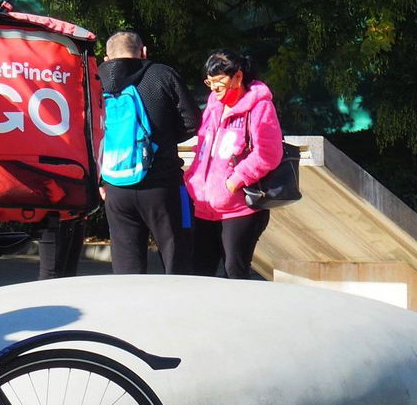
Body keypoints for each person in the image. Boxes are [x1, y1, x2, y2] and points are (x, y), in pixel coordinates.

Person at [98, 31, 200, 273]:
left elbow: (86, 131)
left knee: (127, 267)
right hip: (163, 185)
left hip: (114, 187)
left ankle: (132, 310)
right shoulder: (162, 74)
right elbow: (193, 121)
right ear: (143, 52)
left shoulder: (93, 79)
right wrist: (162, 141)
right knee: (178, 258)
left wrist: (99, 180)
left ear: (106, 57)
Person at [184, 49, 282, 279]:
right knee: (199, 273)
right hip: (203, 206)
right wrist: (193, 177)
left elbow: (269, 152)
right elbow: (203, 146)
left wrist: (234, 180)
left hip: (239, 209)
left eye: (219, 81)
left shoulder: (259, 106)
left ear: (238, 77)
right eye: (209, 82)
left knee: (235, 273)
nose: (213, 88)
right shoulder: (213, 104)